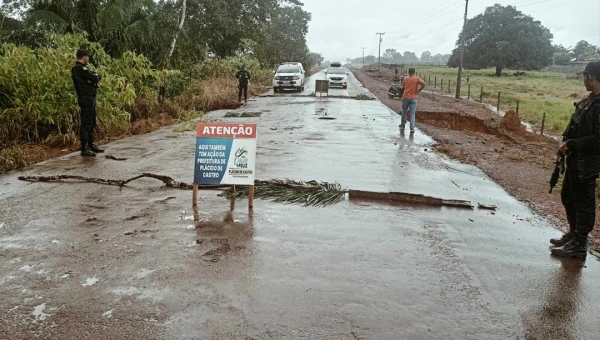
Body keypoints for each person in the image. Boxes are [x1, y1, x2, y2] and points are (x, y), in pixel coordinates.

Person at [551, 61, 600, 259]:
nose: (583, 80)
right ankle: (572, 236)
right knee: (568, 197)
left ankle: (579, 244)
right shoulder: (589, 101)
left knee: (584, 202)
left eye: (584, 76)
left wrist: (571, 144)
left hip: (588, 161)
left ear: (590, 77)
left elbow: (598, 139)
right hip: (576, 159)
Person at [71, 49, 102, 157]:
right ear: (83, 57)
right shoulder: (79, 68)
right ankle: (84, 148)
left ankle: (91, 144)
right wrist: (93, 78)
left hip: (90, 98)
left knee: (92, 121)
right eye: (87, 57)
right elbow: (94, 77)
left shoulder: (84, 69)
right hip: (85, 98)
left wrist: (94, 77)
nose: (88, 59)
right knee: (86, 123)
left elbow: (97, 77)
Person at [400, 68, 426, 133]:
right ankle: (412, 128)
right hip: (414, 97)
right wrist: (418, 90)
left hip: (406, 97)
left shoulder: (405, 78)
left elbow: (403, 87)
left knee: (404, 111)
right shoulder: (417, 79)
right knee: (412, 113)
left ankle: (403, 125)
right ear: (414, 72)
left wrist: (401, 94)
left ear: (408, 72)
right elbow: (424, 84)